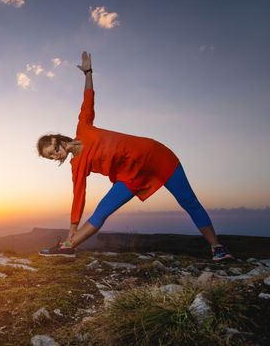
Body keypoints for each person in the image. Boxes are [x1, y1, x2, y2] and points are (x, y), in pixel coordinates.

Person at [37, 51, 232, 261]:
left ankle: (217, 248)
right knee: (102, 211)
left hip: (155, 156)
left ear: (58, 140)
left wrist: (88, 72)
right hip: (130, 177)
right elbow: (78, 197)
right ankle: (68, 246)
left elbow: (88, 98)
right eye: (51, 157)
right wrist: (71, 230)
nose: (55, 157)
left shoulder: (83, 127)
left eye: (53, 151)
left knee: (188, 200)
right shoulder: (77, 166)